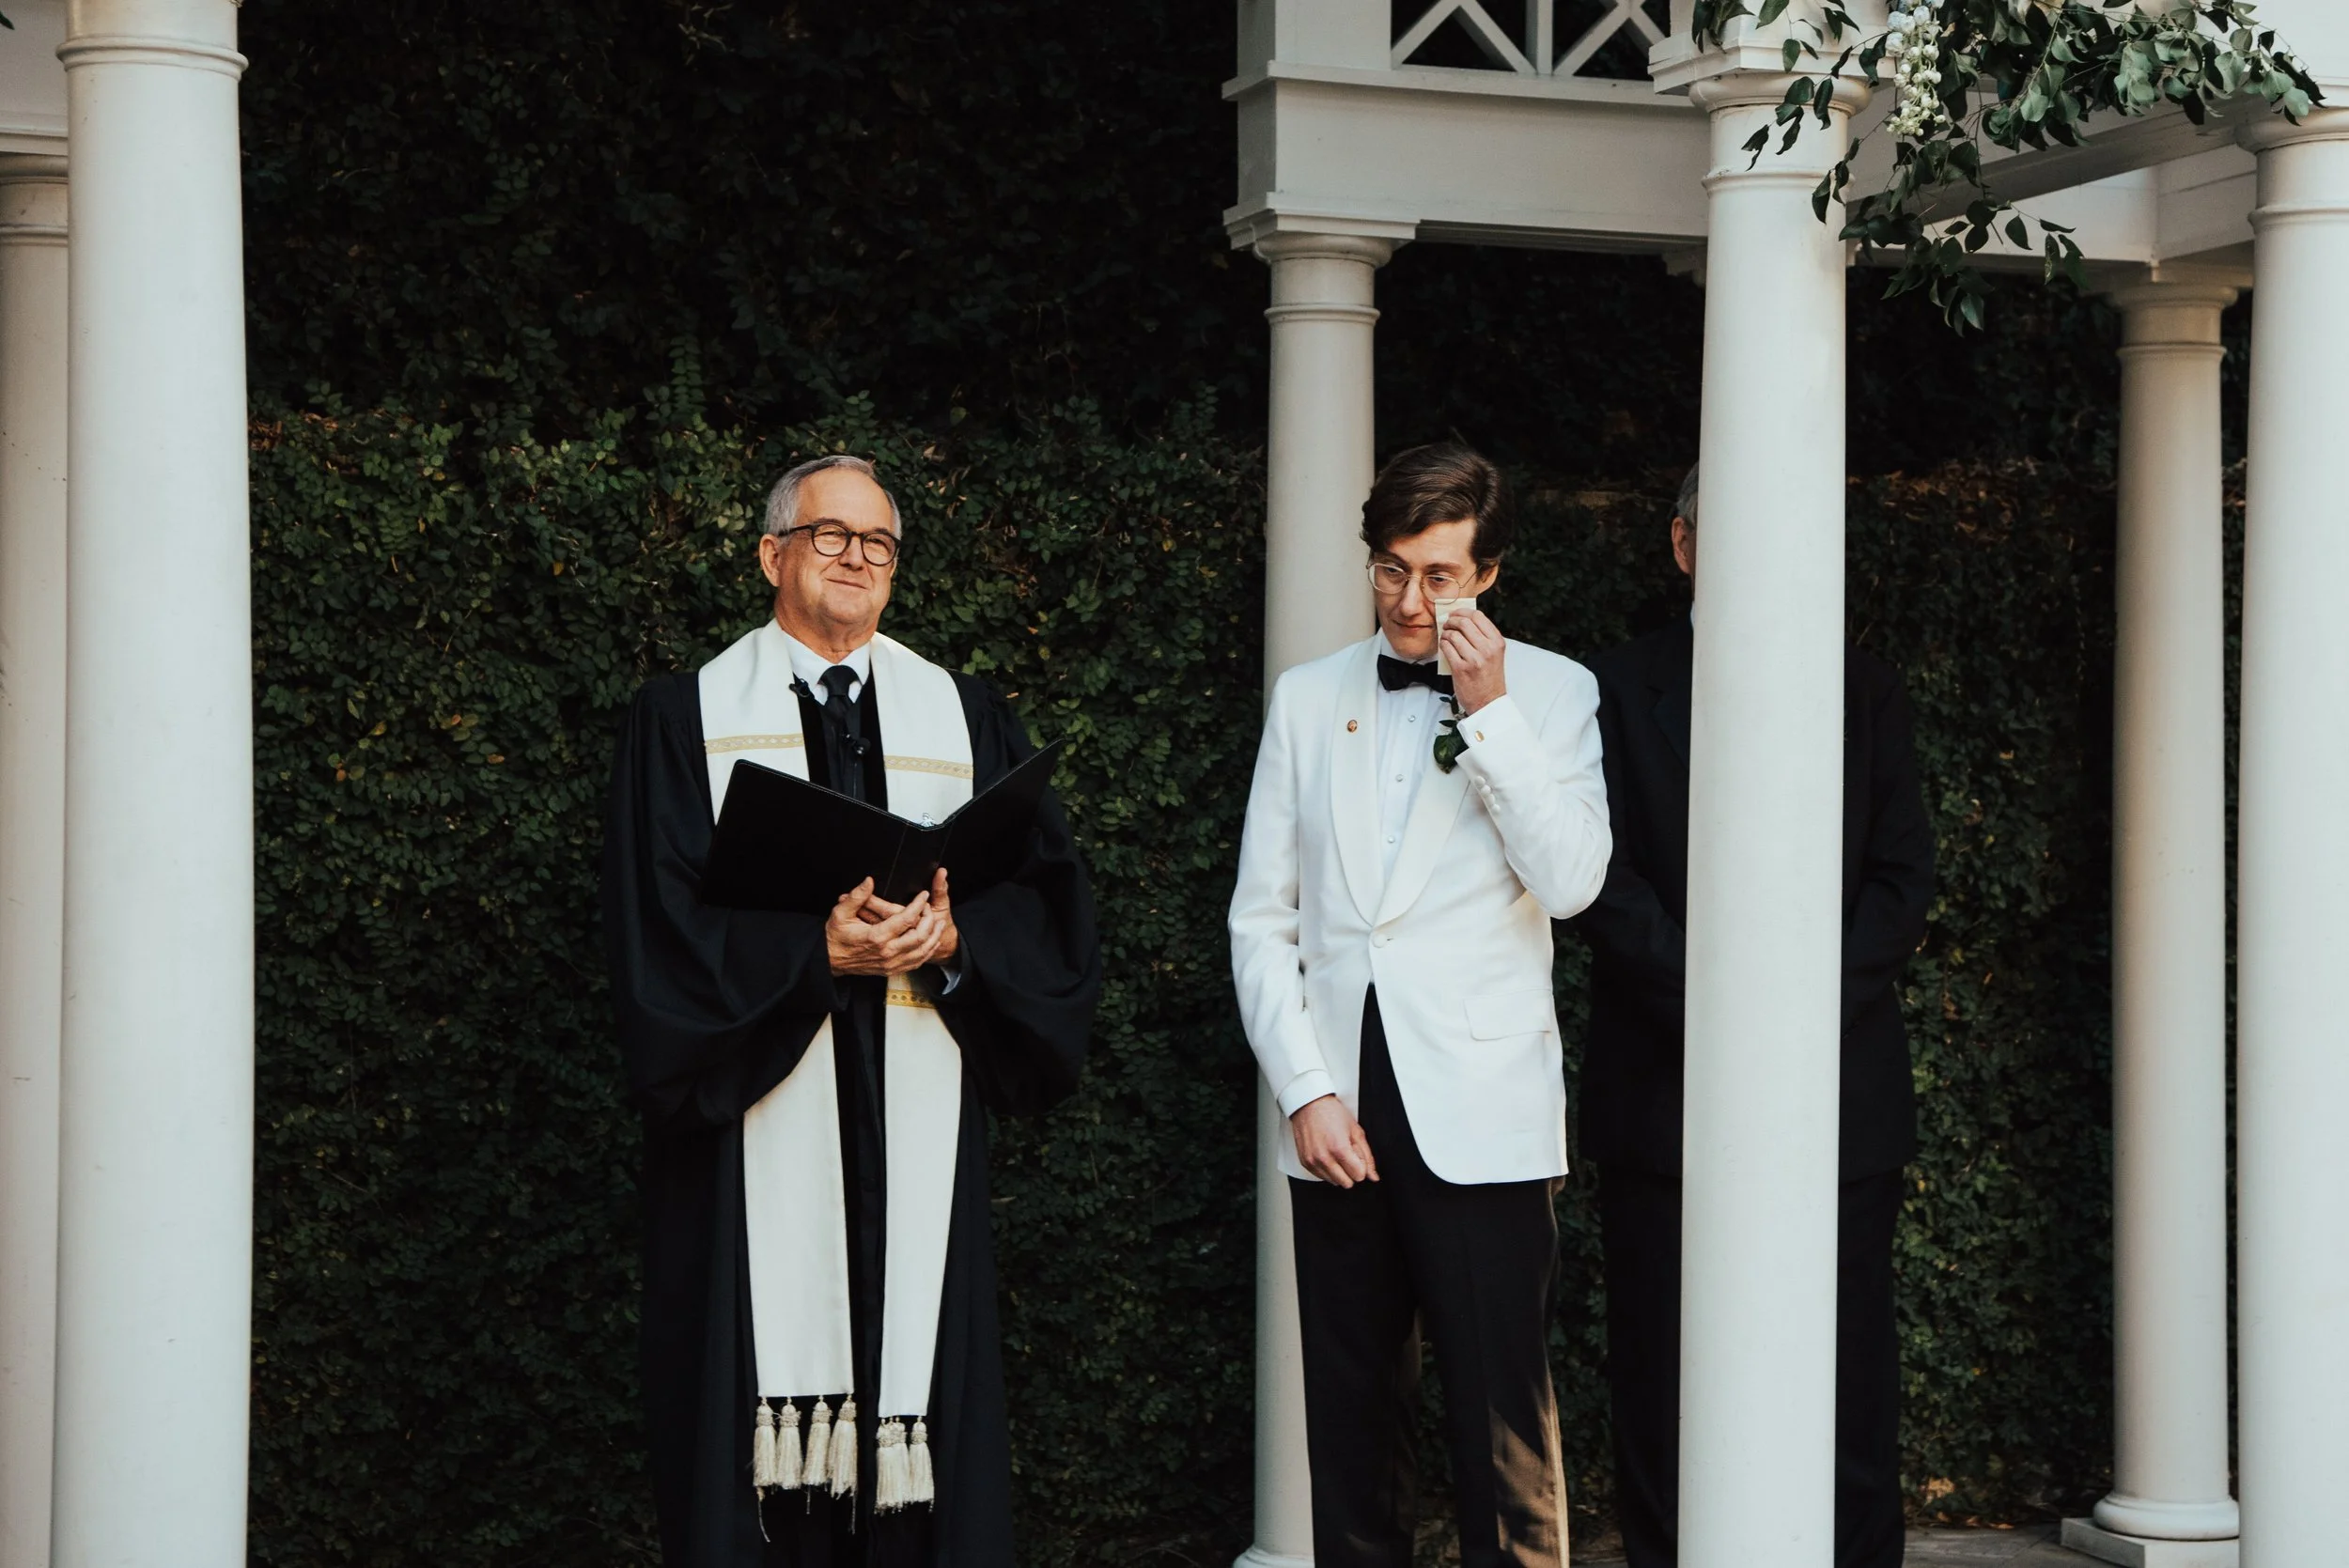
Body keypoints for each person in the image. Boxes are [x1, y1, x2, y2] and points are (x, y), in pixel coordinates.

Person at [601, 455, 1101, 1568]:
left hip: (914, 1110)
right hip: (752, 1130)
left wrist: (958, 937)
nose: (855, 560)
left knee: (921, 1385)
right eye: (830, 536)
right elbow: (658, 929)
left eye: (876, 544)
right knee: (746, 1437)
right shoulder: (683, 721)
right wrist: (810, 953)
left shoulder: (964, 715)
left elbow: (1046, 904)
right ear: (771, 554)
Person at [1229, 442, 1612, 1568]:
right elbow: (1262, 920)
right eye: (1390, 570)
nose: (1409, 601)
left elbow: (1575, 881)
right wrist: (1304, 1090)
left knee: (1503, 1434)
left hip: (1483, 1113)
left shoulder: (1557, 691)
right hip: (1336, 1116)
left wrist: (1490, 715)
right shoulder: (1307, 698)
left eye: (1437, 575)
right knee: (1351, 1434)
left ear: (1487, 573)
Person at [1569, 465, 1935, 1568]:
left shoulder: (1864, 691)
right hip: (1663, 1084)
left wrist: (1791, 1018)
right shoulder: (1613, 689)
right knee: (1661, 1372)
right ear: (1682, 547)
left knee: (1847, 1374)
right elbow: (1597, 879)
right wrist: (1719, 1008)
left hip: (1836, 1091)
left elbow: (1899, 879)